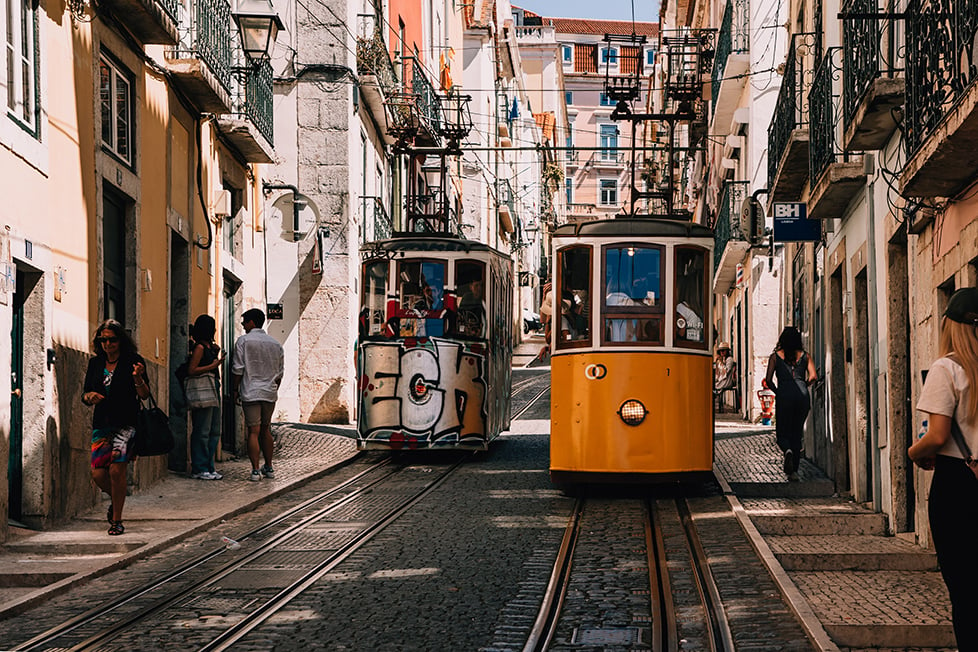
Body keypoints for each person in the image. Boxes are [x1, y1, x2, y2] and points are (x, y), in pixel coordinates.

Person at [909, 288, 978, 650]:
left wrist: (912, 451)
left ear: (950, 325)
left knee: (966, 590)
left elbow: (936, 436)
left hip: (958, 486)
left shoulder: (947, 368)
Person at [81, 319, 150, 536]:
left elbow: (145, 395)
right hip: (102, 423)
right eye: (103, 340)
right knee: (98, 475)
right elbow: (85, 393)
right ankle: (117, 498)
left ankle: (117, 521)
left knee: (116, 469)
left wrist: (138, 377)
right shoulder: (95, 364)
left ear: (120, 341)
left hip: (126, 423)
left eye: (112, 340)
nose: (107, 344)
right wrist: (89, 396)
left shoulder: (133, 361)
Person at [232, 308, 285, 482]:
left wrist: (234, 389)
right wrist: (272, 388)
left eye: (244, 321)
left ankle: (255, 470)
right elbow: (279, 373)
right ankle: (269, 467)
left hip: (251, 391)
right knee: (265, 429)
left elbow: (238, 369)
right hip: (269, 392)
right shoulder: (276, 344)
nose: (242, 324)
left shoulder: (243, 341)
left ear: (252, 322)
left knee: (253, 431)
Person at [764, 327, 816, 481]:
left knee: (782, 432)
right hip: (802, 396)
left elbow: (768, 380)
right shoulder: (805, 356)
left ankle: (787, 451)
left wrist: (777, 391)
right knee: (797, 432)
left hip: (784, 394)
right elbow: (813, 376)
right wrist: (804, 385)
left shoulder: (775, 357)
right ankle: (794, 471)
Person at [186, 314, 226, 480]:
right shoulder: (200, 348)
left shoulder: (209, 347)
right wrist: (213, 365)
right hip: (203, 389)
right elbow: (192, 369)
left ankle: (209, 466)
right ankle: (199, 467)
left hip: (213, 387)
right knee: (202, 430)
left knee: (214, 430)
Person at [714, 342, 737, 412]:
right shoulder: (724, 359)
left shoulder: (729, 359)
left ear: (727, 351)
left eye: (723, 350)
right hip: (722, 380)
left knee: (714, 387)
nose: (722, 352)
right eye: (720, 351)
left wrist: (720, 362)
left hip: (727, 381)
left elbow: (726, 371)